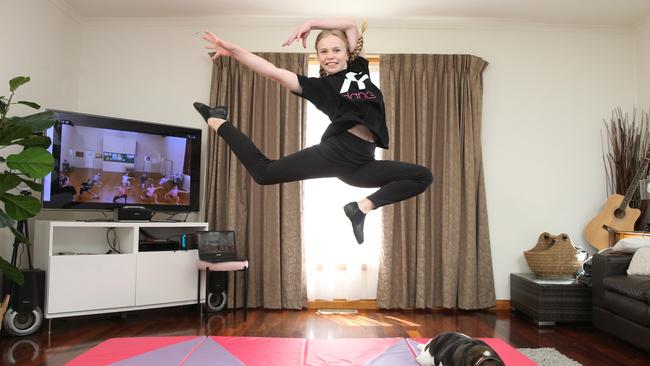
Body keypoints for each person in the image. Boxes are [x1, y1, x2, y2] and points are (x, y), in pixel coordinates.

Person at [194, 18, 432, 244]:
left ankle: (360, 208)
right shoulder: (318, 87)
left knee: (422, 176)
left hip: (361, 163)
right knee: (264, 173)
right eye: (324, 52)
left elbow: (349, 23)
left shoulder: (360, 69)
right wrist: (234, 50)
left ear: (347, 52)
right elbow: (273, 71)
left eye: (336, 50)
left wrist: (311, 24)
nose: (330, 56)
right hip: (338, 152)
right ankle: (218, 121)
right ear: (317, 57)